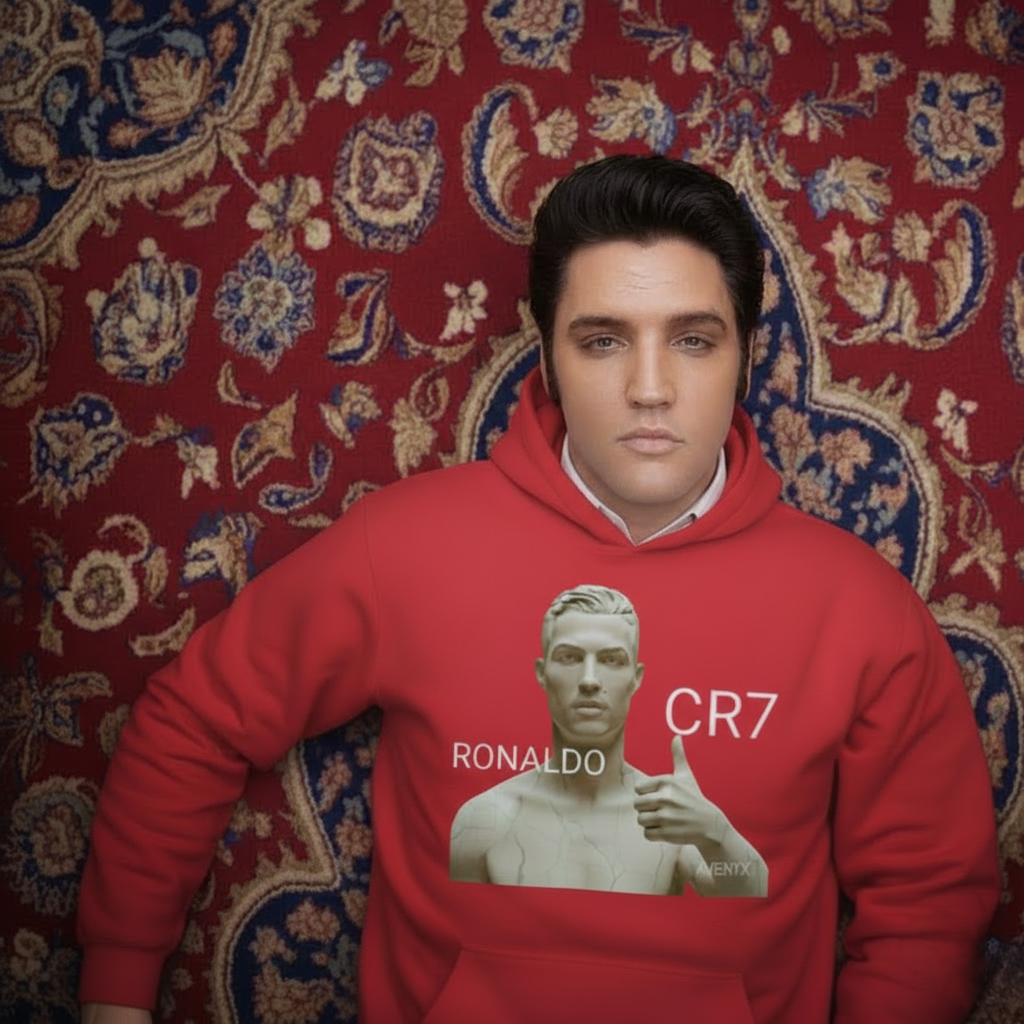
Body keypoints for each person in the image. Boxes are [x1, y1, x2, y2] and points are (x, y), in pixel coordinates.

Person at [79, 155, 999, 1024]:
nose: (650, 388)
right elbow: (196, 716)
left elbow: (929, 900)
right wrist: (116, 985)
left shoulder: (861, 611)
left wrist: (719, 842)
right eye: (603, 341)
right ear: (549, 355)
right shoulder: (406, 548)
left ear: (746, 356)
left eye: (693, 340)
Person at [449, 583, 767, 896]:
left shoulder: (668, 819)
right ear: (542, 673)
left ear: (636, 678)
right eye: (570, 657)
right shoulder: (486, 821)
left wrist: (717, 834)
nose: (589, 680)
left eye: (611, 660)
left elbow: (752, 896)